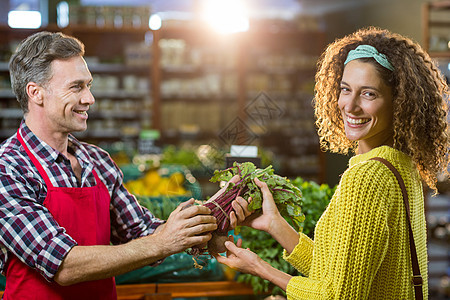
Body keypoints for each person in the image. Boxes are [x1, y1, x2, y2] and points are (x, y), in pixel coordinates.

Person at [0, 31, 244, 299]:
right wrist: (162, 243)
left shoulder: (97, 162)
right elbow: (62, 265)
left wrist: (212, 220)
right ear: (36, 93)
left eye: (89, 85)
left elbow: (142, 231)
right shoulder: (9, 168)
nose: (89, 98)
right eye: (76, 87)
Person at [214, 27, 449, 299]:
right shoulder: (400, 165)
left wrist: (261, 268)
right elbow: (340, 273)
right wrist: (274, 224)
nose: (350, 105)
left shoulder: (368, 177)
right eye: (345, 89)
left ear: (398, 103)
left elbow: (337, 296)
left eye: (369, 94)